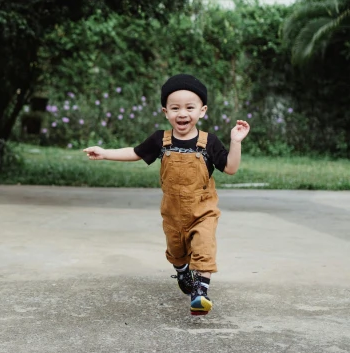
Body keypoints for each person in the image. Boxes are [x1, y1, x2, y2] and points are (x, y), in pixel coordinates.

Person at [83, 74, 250, 316]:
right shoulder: (160, 140)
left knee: (204, 246)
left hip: (203, 210)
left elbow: (231, 168)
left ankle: (200, 293)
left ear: (202, 111)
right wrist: (105, 152)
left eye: (189, 108)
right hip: (172, 212)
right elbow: (135, 152)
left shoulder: (209, 142)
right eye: (175, 108)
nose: (182, 114)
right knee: (176, 251)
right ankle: (183, 272)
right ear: (165, 111)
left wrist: (236, 142)